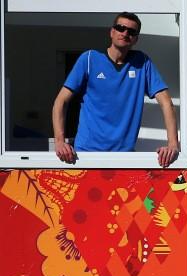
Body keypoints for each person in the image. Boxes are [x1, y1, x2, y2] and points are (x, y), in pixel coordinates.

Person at [52, 12, 179, 167]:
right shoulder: (89, 59)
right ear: (112, 32)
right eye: (121, 28)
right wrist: (59, 142)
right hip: (84, 156)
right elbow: (61, 101)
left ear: (135, 39)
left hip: (123, 158)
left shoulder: (142, 62)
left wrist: (173, 144)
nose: (125, 33)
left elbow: (166, 103)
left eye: (131, 32)